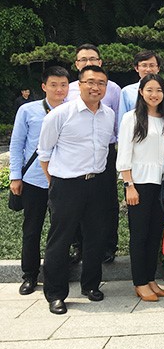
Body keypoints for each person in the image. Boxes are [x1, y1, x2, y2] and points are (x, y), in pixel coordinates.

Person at [38, 65, 115, 314]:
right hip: (67, 184)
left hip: (97, 183)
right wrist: (55, 182)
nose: (96, 87)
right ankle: (56, 294)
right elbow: (44, 154)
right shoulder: (61, 114)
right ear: (79, 85)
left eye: (101, 83)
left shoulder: (109, 115)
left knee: (95, 237)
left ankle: (91, 285)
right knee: (60, 239)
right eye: (90, 82)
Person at [116, 74, 164, 302]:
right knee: (140, 235)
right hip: (139, 184)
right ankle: (140, 282)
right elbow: (124, 154)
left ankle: (151, 279)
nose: (154, 95)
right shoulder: (131, 118)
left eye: (159, 90)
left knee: (155, 234)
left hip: (160, 184)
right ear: (141, 92)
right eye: (150, 90)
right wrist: (129, 185)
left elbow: (162, 151)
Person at [9, 66, 70, 295]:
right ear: (44, 86)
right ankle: (30, 275)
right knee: (32, 230)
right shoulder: (28, 110)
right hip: (34, 180)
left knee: (62, 232)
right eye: (53, 85)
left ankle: (59, 275)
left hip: (63, 180)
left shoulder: (73, 109)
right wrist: (15, 176)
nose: (59, 89)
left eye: (63, 85)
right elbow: (17, 144)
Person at [66, 43, 121, 264]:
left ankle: (108, 246)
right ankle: (79, 246)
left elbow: (118, 122)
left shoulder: (113, 89)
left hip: (105, 150)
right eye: (83, 59)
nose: (88, 63)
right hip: (76, 152)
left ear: (100, 62)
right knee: (78, 201)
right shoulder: (68, 89)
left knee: (107, 200)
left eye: (93, 59)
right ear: (76, 64)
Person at [118, 50, 164, 127]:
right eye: (144, 65)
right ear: (136, 68)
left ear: (158, 68)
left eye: (152, 65)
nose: (148, 69)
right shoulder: (127, 91)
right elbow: (121, 121)